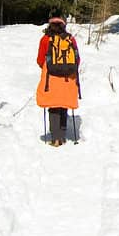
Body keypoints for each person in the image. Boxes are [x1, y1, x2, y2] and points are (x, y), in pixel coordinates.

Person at [34, 16, 81, 146]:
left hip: (51, 77)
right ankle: (62, 135)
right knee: (63, 103)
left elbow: (40, 59)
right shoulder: (70, 39)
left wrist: (46, 67)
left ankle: (55, 138)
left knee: (53, 105)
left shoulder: (45, 39)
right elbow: (77, 59)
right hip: (67, 77)